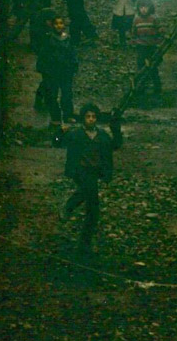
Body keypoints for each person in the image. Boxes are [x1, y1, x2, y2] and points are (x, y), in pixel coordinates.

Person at [60, 102, 123, 252]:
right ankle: (84, 241)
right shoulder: (76, 134)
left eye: (93, 117)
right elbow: (57, 143)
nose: (91, 119)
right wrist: (59, 132)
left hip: (94, 172)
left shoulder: (102, 136)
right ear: (83, 118)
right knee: (92, 206)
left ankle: (83, 237)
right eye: (88, 116)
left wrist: (116, 128)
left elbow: (116, 145)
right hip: (80, 171)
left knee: (90, 205)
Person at [37, 13, 78, 131]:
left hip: (65, 70)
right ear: (52, 25)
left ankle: (68, 114)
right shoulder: (48, 39)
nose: (59, 26)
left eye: (61, 23)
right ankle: (55, 117)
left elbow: (72, 53)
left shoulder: (68, 39)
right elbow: (43, 54)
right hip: (52, 71)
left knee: (67, 93)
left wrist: (74, 65)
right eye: (56, 24)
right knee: (52, 94)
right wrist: (43, 68)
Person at [132, 0, 163, 97]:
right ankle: (141, 88)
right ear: (138, 8)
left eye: (146, 7)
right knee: (141, 67)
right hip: (141, 46)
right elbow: (134, 33)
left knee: (153, 67)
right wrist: (134, 42)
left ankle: (157, 88)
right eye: (141, 7)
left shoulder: (154, 19)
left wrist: (158, 41)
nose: (143, 9)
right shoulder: (136, 19)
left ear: (150, 7)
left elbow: (160, 31)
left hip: (151, 46)